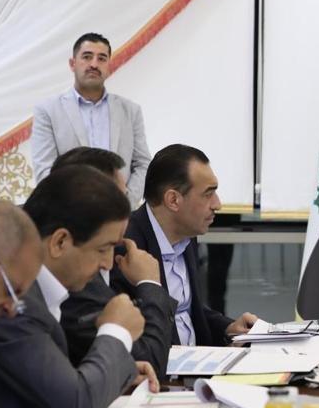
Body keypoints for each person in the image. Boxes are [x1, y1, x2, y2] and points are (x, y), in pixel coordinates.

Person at [0, 169, 157, 408]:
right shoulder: (7, 298)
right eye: (103, 249)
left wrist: (115, 371)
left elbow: (54, 381)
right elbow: (76, 405)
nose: (108, 263)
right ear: (60, 242)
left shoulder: (23, 287)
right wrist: (116, 332)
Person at [51, 148, 179, 377]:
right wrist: (150, 283)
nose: (107, 263)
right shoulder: (76, 280)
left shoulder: (121, 251)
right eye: (118, 200)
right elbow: (149, 361)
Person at [115, 144, 255, 346]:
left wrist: (228, 328)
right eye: (208, 194)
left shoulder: (186, 235)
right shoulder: (126, 247)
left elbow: (187, 310)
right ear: (173, 200)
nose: (217, 204)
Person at [30, 32, 151, 204]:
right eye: (87, 57)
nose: (94, 64)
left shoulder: (130, 111)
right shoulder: (48, 111)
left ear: (109, 65)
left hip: (120, 210)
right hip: (70, 211)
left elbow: (142, 163)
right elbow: (44, 170)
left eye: (101, 58)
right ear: (72, 64)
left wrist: (125, 201)